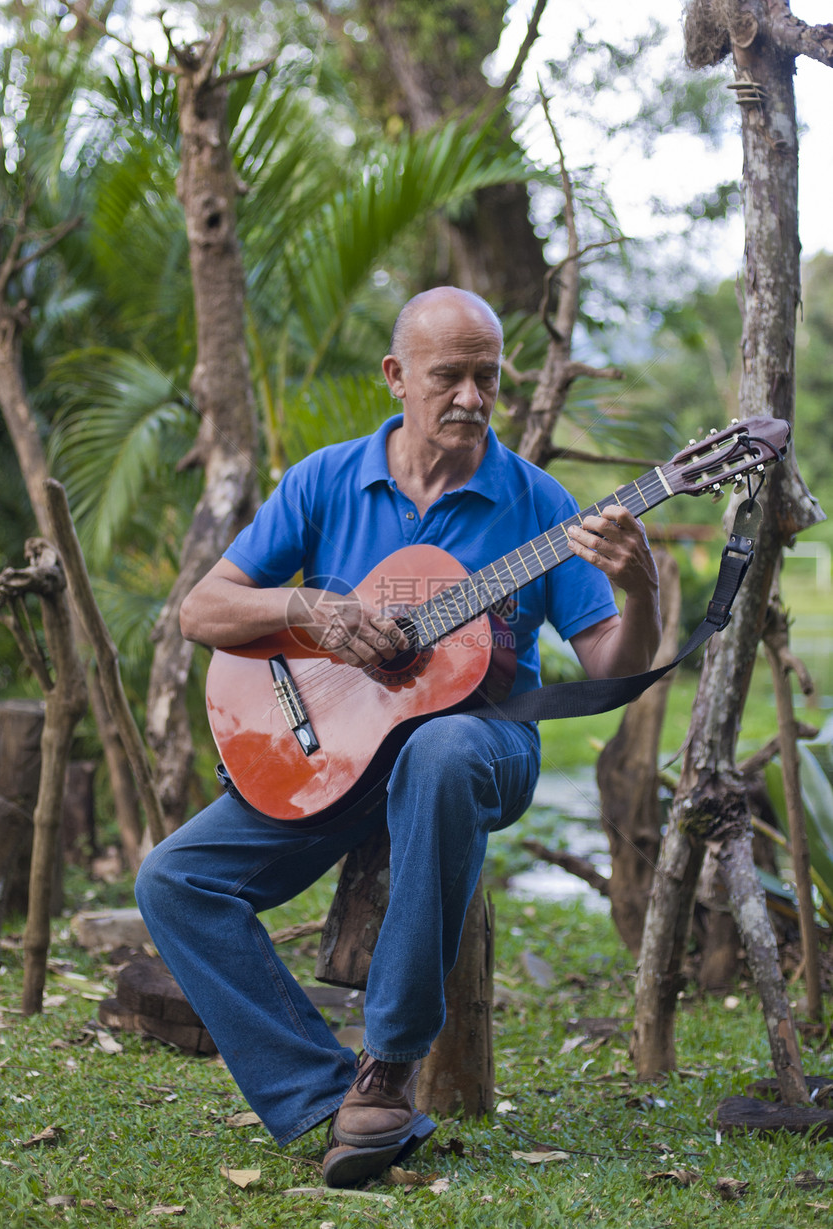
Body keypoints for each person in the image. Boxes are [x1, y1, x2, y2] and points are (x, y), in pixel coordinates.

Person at [135, 286, 661, 1187]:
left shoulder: (539, 504)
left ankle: (388, 1067)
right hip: (334, 749)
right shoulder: (327, 479)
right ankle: (316, 1085)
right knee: (174, 880)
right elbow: (203, 609)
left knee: (442, 748)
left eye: (486, 377)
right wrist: (313, 610)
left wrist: (642, 588)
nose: (470, 396)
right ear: (396, 377)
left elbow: (611, 665)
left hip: (479, 749)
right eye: (448, 375)